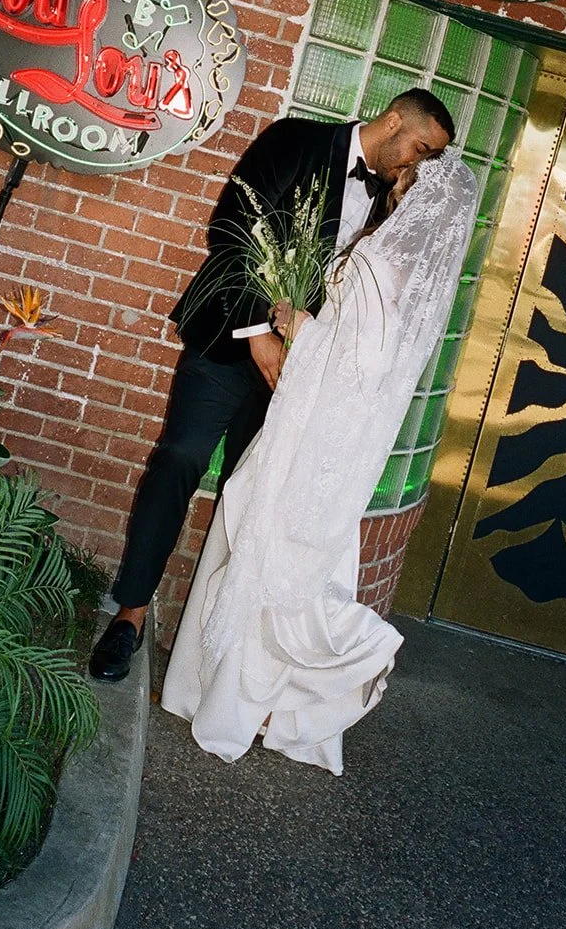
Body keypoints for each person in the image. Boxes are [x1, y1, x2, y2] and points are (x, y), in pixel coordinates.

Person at [88, 90, 455, 682]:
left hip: (303, 379)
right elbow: (231, 229)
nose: (417, 165)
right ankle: (129, 615)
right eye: (419, 149)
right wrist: (260, 328)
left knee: (255, 499)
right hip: (229, 343)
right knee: (180, 458)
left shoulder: (395, 201)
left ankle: (216, 650)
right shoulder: (296, 140)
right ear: (393, 122)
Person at [161, 147, 476, 772]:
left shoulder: (384, 264)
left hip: (317, 425)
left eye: (410, 176)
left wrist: (300, 327)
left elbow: (361, 365)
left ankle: (331, 659)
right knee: (281, 541)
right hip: (325, 426)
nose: (396, 177)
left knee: (274, 542)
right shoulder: (401, 268)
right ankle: (252, 700)